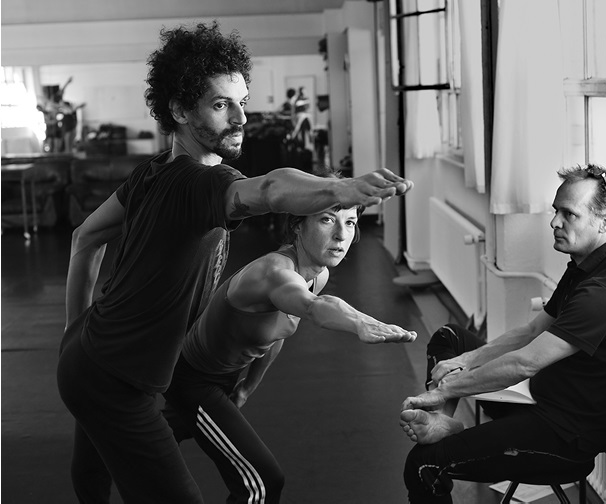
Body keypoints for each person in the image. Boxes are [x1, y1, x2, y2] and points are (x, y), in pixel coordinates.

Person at [57, 21, 412, 504]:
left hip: (89, 357)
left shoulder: (152, 172)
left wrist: (72, 333)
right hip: (116, 384)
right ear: (179, 109)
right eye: (222, 105)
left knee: (93, 478)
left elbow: (84, 238)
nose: (241, 117)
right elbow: (269, 189)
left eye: (243, 101)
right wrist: (339, 188)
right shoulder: (195, 183)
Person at [162, 171, 417, 503]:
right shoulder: (274, 273)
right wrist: (358, 322)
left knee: (151, 442)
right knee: (262, 482)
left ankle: (108, 449)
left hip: (224, 377)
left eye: (350, 222)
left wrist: (247, 388)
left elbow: (277, 333)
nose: (341, 235)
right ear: (297, 225)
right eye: (327, 220)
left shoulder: (317, 274)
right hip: (193, 381)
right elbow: (313, 307)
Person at [399, 164, 606, 504]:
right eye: (555, 211)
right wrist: (466, 360)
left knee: (423, 464)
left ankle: (440, 419)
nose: (554, 222)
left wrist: (446, 388)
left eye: (569, 214)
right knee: (450, 338)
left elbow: (525, 363)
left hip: (563, 437)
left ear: (604, 223)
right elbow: (532, 330)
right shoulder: (585, 265)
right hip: (540, 400)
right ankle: (442, 422)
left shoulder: (600, 294)